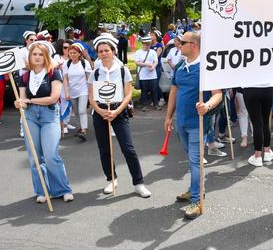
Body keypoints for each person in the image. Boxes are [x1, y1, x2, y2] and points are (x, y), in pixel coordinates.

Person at [164, 31, 222, 219]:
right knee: (192, 159)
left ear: (194, 45)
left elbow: (218, 94)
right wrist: (168, 117)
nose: (179, 45)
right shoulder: (180, 66)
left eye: (183, 42)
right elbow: (174, 92)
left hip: (198, 123)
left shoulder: (207, 67)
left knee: (196, 162)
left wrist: (207, 106)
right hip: (181, 122)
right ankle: (194, 189)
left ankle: (197, 200)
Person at [88, 35, 151, 198]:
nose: (103, 54)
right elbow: (91, 97)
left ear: (113, 51)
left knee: (128, 149)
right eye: (100, 51)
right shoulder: (95, 73)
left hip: (119, 111)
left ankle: (138, 183)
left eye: (106, 50)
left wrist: (116, 111)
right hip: (100, 112)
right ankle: (111, 179)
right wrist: (100, 111)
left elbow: (128, 94)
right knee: (104, 149)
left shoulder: (122, 70)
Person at [14, 41, 74, 203]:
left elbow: (53, 98)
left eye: (41, 54)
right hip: (30, 116)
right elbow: (23, 100)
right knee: (35, 157)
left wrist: (30, 100)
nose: (38, 57)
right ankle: (42, 191)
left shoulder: (54, 73)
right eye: (35, 54)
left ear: (46, 56)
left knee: (51, 155)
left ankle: (63, 189)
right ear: (30, 56)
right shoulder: (24, 76)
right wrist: (20, 103)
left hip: (49, 116)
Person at [63, 42, 92, 141]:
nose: (72, 55)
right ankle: (80, 127)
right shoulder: (67, 64)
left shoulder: (84, 63)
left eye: (74, 53)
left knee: (82, 110)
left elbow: (89, 78)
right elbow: (65, 80)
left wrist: (91, 93)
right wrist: (66, 92)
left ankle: (84, 129)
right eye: (70, 53)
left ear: (79, 53)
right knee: (76, 112)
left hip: (83, 90)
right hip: (72, 91)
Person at [243, 82, 273, 167]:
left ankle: (258, 156)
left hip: (250, 87)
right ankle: (267, 151)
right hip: (267, 87)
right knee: (265, 122)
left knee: (257, 123)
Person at [134, 35, 159, 110]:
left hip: (153, 75)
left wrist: (153, 67)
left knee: (154, 90)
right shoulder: (138, 52)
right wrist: (146, 64)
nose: (148, 46)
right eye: (146, 44)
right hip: (143, 75)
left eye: (149, 44)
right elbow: (137, 62)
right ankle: (144, 105)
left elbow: (156, 61)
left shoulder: (153, 52)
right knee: (144, 91)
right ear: (142, 43)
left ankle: (155, 104)